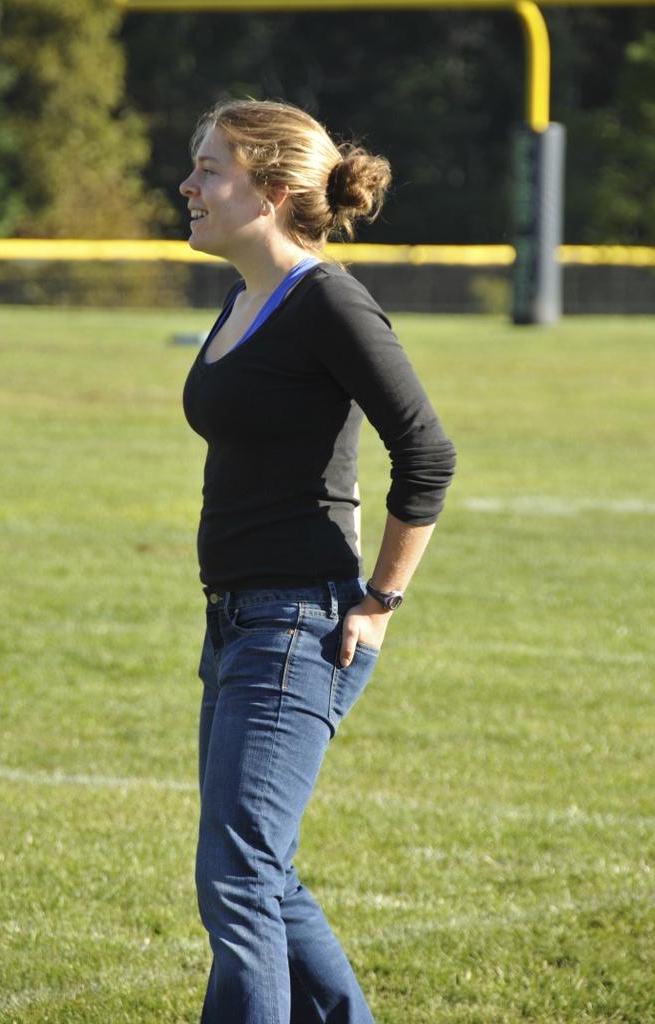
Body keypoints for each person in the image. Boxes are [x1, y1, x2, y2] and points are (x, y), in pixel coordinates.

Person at [179, 97, 456, 1024]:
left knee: (238, 874)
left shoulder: (327, 298)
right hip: (235, 623)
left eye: (209, 168)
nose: (187, 185)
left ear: (270, 189)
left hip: (301, 625)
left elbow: (426, 450)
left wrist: (380, 601)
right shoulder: (243, 294)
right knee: (261, 871)